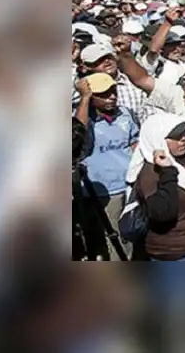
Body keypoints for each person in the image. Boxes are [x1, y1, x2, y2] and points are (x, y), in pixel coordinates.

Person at [127, 113, 185, 261]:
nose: (184, 138)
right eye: (176, 136)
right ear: (158, 139)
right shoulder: (152, 173)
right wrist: (168, 171)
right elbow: (162, 214)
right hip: (178, 251)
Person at [73, 72, 139, 260]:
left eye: (113, 92)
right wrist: (84, 98)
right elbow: (78, 135)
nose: (111, 97)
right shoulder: (81, 116)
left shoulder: (125, 114)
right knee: (106, 240)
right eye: (103, 94)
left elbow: (134, 143)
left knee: (126, 236)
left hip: (127, 186)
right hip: (99, 191)